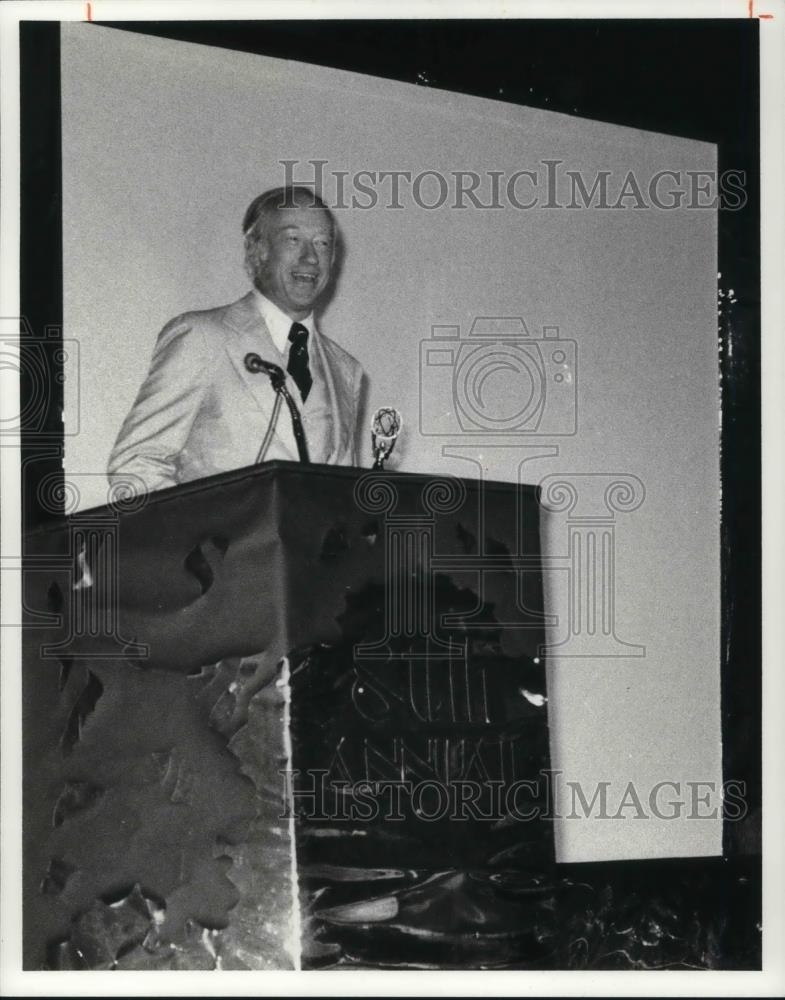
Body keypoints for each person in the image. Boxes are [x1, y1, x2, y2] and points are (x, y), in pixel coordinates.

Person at [107, 186, 364, 494]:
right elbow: (135, 465)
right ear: (258, 250)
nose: (310, 258)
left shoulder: (345, 369)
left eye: (322, 243)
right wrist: (214, 526)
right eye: (293, 239)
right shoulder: (202, 338)